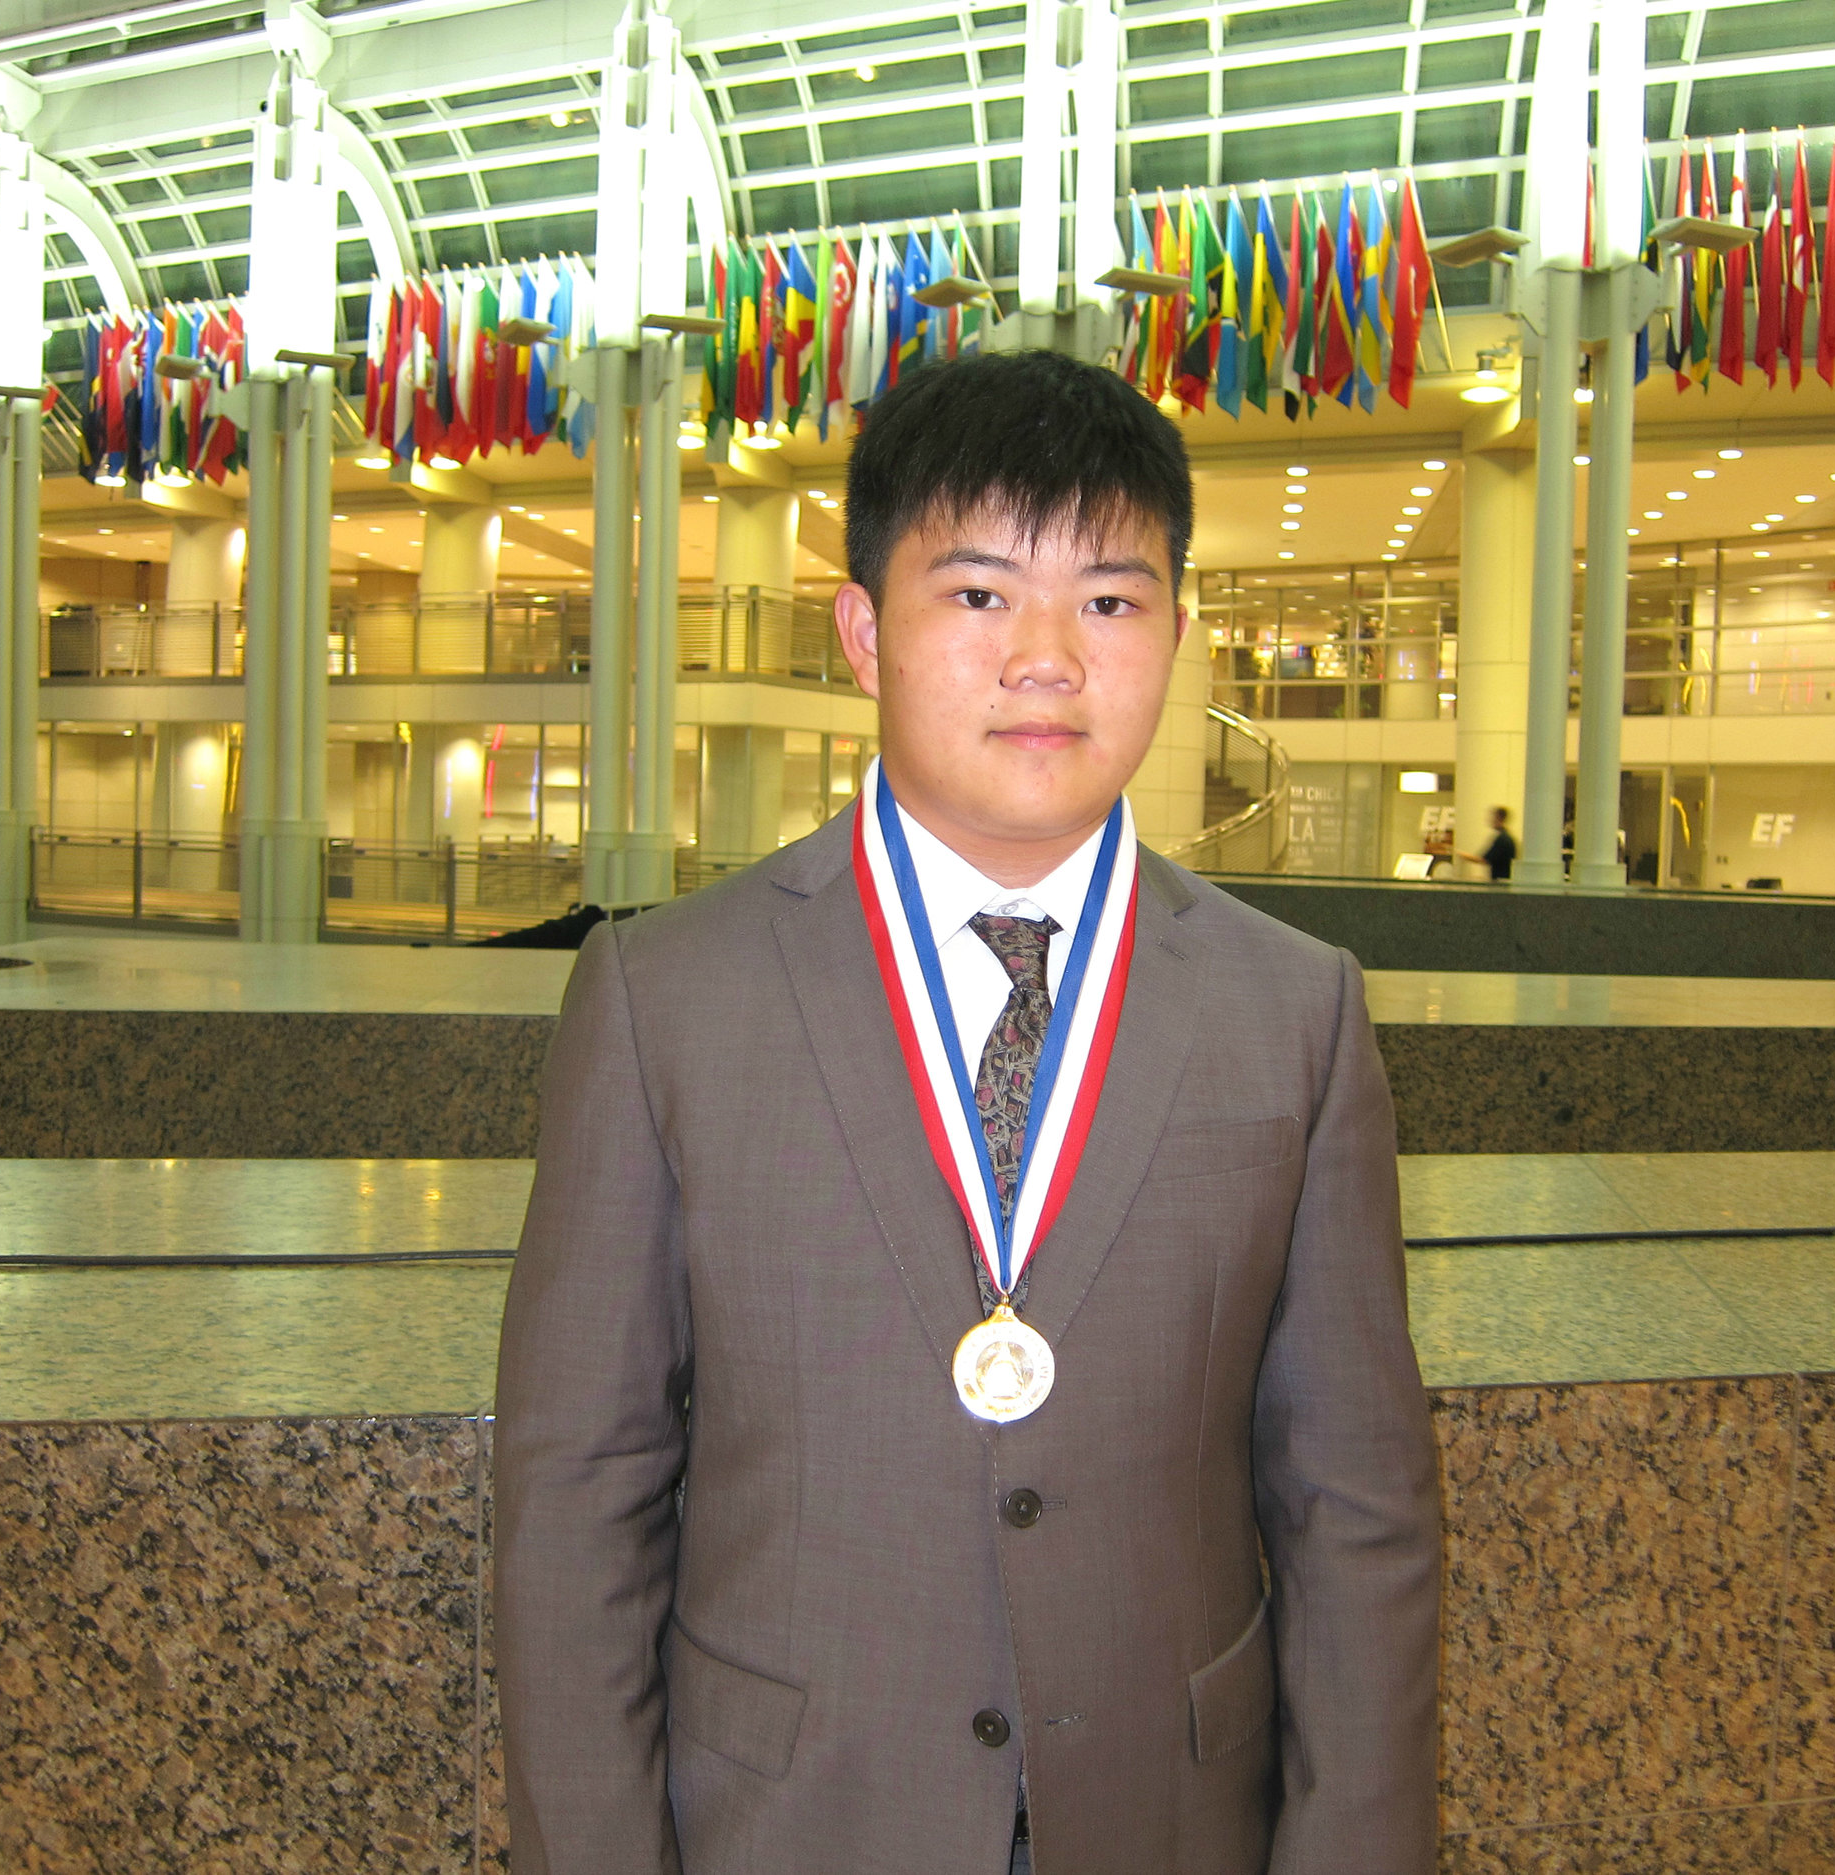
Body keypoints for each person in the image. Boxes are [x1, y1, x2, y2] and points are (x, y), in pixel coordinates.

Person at [495, 349, 1440, 1875]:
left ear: (1178, 632)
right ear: (866, 629)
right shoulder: (664, 996)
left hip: (1173, 1812)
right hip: (792, 1818)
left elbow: (1356, 1501)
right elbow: (579, 1491)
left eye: (1113, 600)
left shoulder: (1297, 1009)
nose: (1050, 657)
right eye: (983, 593)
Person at [1472, 805, 1517, 881]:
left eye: (1492, 817)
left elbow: (1483, 859)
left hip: (1500, 882)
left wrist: (1462, 854)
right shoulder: (1507, 838)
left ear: (1498, 818)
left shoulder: (1502, 839)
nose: (1490, 820)